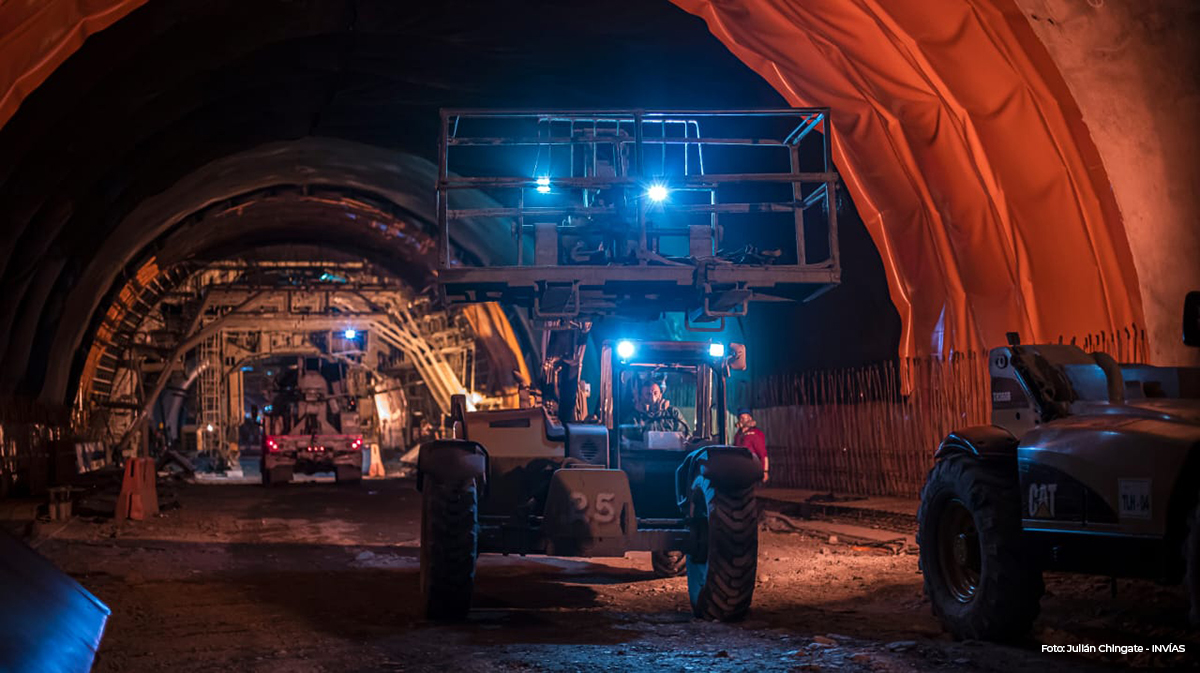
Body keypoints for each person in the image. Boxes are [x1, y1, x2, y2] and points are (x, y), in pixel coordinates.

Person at [624, 380, 689, 435]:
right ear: (641, 397)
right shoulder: (634, 417)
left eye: (655, 393)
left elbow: (687, 434)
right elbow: (627, 439)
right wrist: (644, 414)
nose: (652, 398)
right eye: (648, 394)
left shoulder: (673, 413)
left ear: (660, 395)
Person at [734, 408, 768, 483]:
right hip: (740, 468)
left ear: (750, 418)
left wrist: (765, 471)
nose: (742, 420)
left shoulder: (755, 434)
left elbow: (763, 454)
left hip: (751, 468)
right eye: (741, 418)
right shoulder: (738, 435)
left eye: (744, 418)